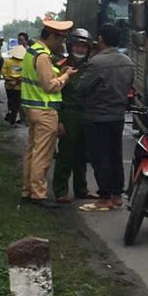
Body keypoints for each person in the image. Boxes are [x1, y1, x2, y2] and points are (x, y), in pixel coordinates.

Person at [21, 20, 78, 208]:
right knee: (43, 155)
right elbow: (49, 86)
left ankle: (28, 190)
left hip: (32, 108)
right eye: (60, 39)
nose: (61, 44)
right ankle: (39, 194)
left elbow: (42, 79)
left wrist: (59, 73)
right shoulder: (43, 56)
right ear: (52, 36)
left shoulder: (32, 51)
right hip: (45, 111)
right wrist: (66, 76)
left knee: (32, 151)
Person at [78, 23, 134, 212]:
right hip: (117, 115)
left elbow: (82, 87)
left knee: (100, 158)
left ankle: (104, 197)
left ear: (100, 39)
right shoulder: (127, 61)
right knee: (115, 156)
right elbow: (129, 85)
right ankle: (117, 195)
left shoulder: (97, 63)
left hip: (97, 116)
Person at [52, 29, 95, 203]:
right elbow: (55, 93)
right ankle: (60, 191)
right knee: (65, 154)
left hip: (86, 114)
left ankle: (81, 189)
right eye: (77, 45)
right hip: (68, 113)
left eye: (84, 46)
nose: (80, 49)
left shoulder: (91, 67)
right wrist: (59, 121)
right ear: (70, 46)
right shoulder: (60, 65)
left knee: (82, 155)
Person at [2, 43, 26, 124]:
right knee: (17, 103)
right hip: (19, 86)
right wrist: (17, 81)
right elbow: (25, 74)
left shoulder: (7, 61)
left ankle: (10, 116)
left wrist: (9, 80)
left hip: (9, 85)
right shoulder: (24, 63)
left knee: (10, 101)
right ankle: (13, 119)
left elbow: (4, 72)